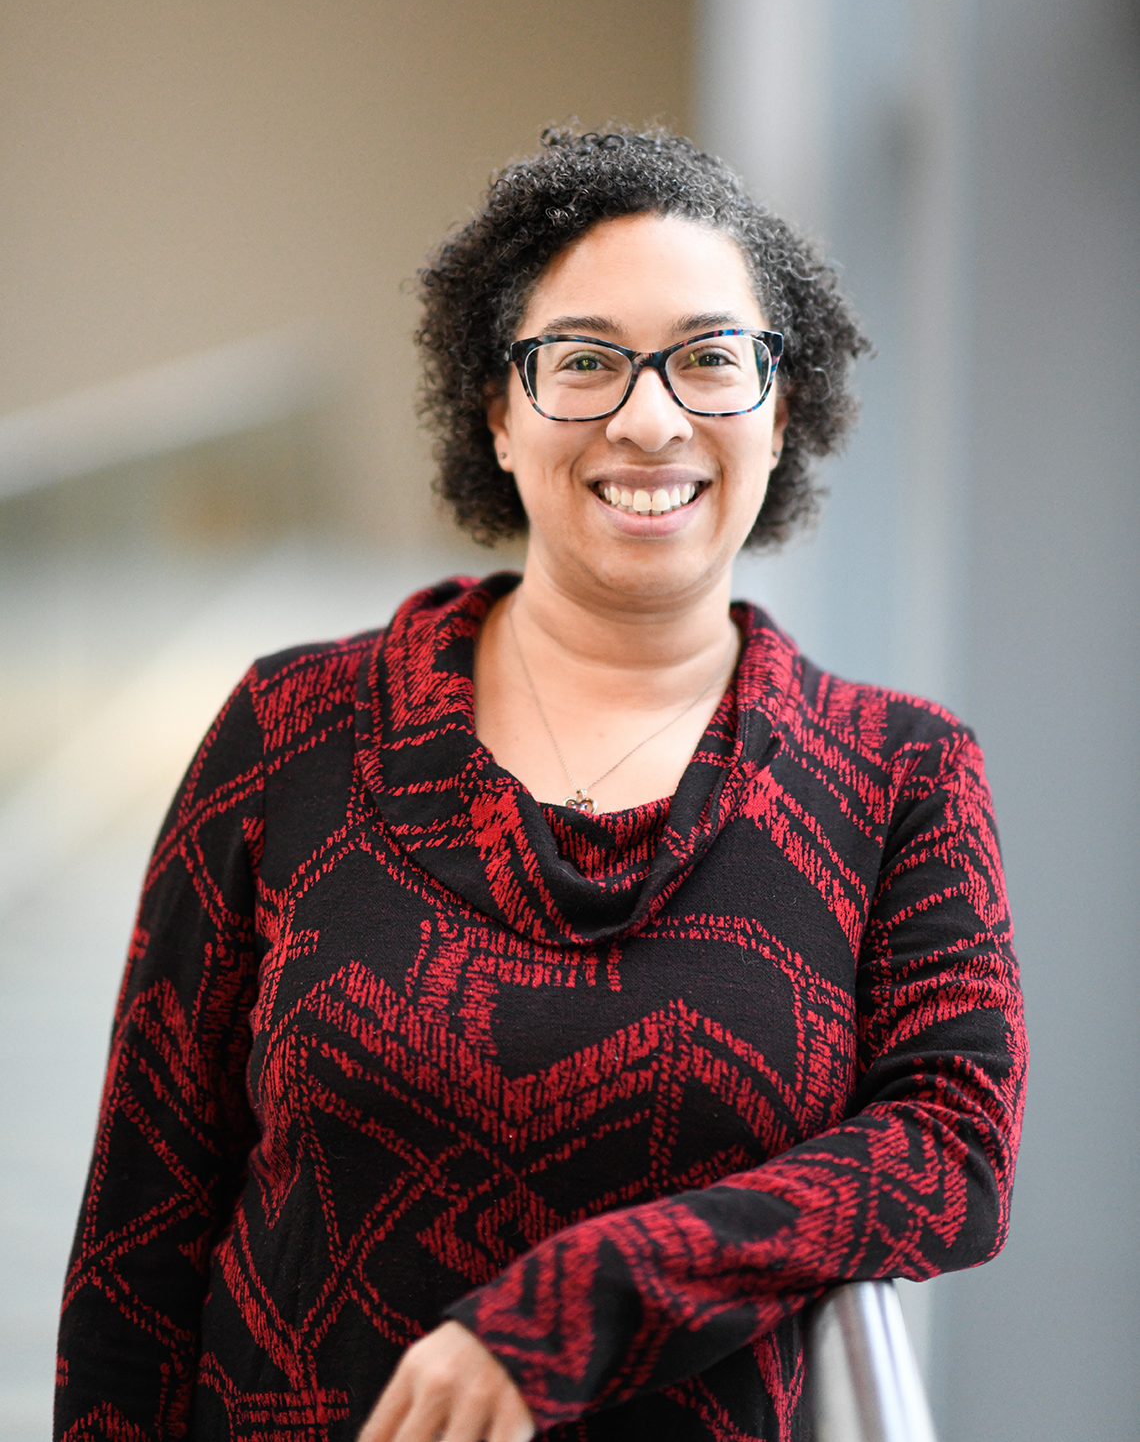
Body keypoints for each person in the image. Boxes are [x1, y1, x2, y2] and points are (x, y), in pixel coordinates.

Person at [55, 128, 1027, 1442]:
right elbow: (140, 1239)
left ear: (779, 407)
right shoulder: (291, 729)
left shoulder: (899, 770)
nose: (649, 415)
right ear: (499, 414)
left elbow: (950, 1152)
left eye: (707, 358)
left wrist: (577, 1303)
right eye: (582, 360)